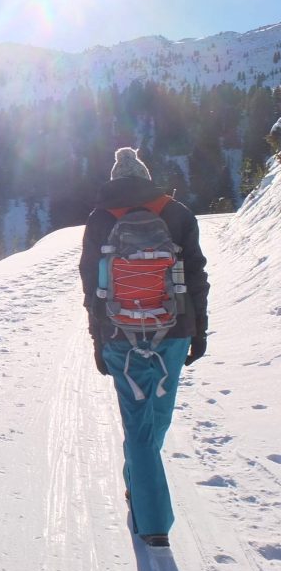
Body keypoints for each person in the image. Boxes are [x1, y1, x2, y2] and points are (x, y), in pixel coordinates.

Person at [79, 147, 209, 548]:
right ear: (146, 177)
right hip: (173, 329)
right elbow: (197, 275)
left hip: (121, 334)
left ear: (116, 179)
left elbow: (91, 285)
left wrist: (97, 340)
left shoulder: (101, 219)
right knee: (157, 418)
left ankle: (145, 503)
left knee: (138, 423)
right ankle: (152, 514)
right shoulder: (178, 213)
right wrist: (199, 330)